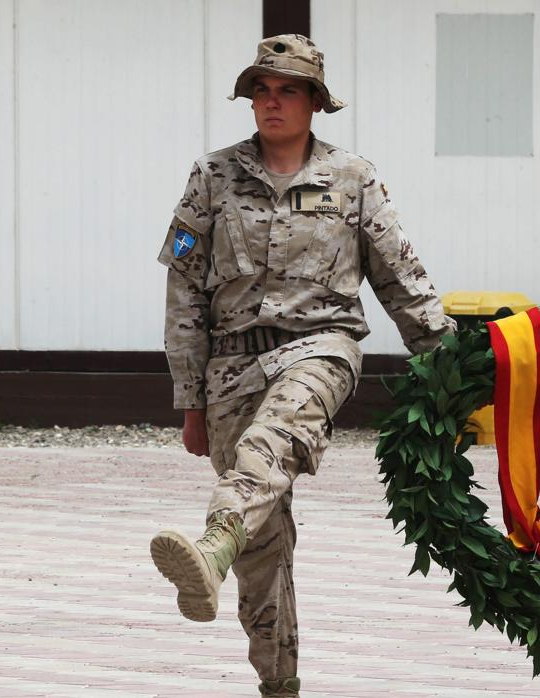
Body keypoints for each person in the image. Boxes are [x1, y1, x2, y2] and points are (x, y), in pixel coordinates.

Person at [149, 34, 454, 698]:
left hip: (321, 345)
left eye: (288, 89)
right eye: (262, 89)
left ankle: (214, 537)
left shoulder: (353, 177)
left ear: (315, 102)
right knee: (265, 550)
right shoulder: (212, 176)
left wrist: (453, 368)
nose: (272, 102)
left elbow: (401, 276)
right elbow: (185, 289)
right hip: (229, 365)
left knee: (275, 435)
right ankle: (277, 684)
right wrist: (190, 398)